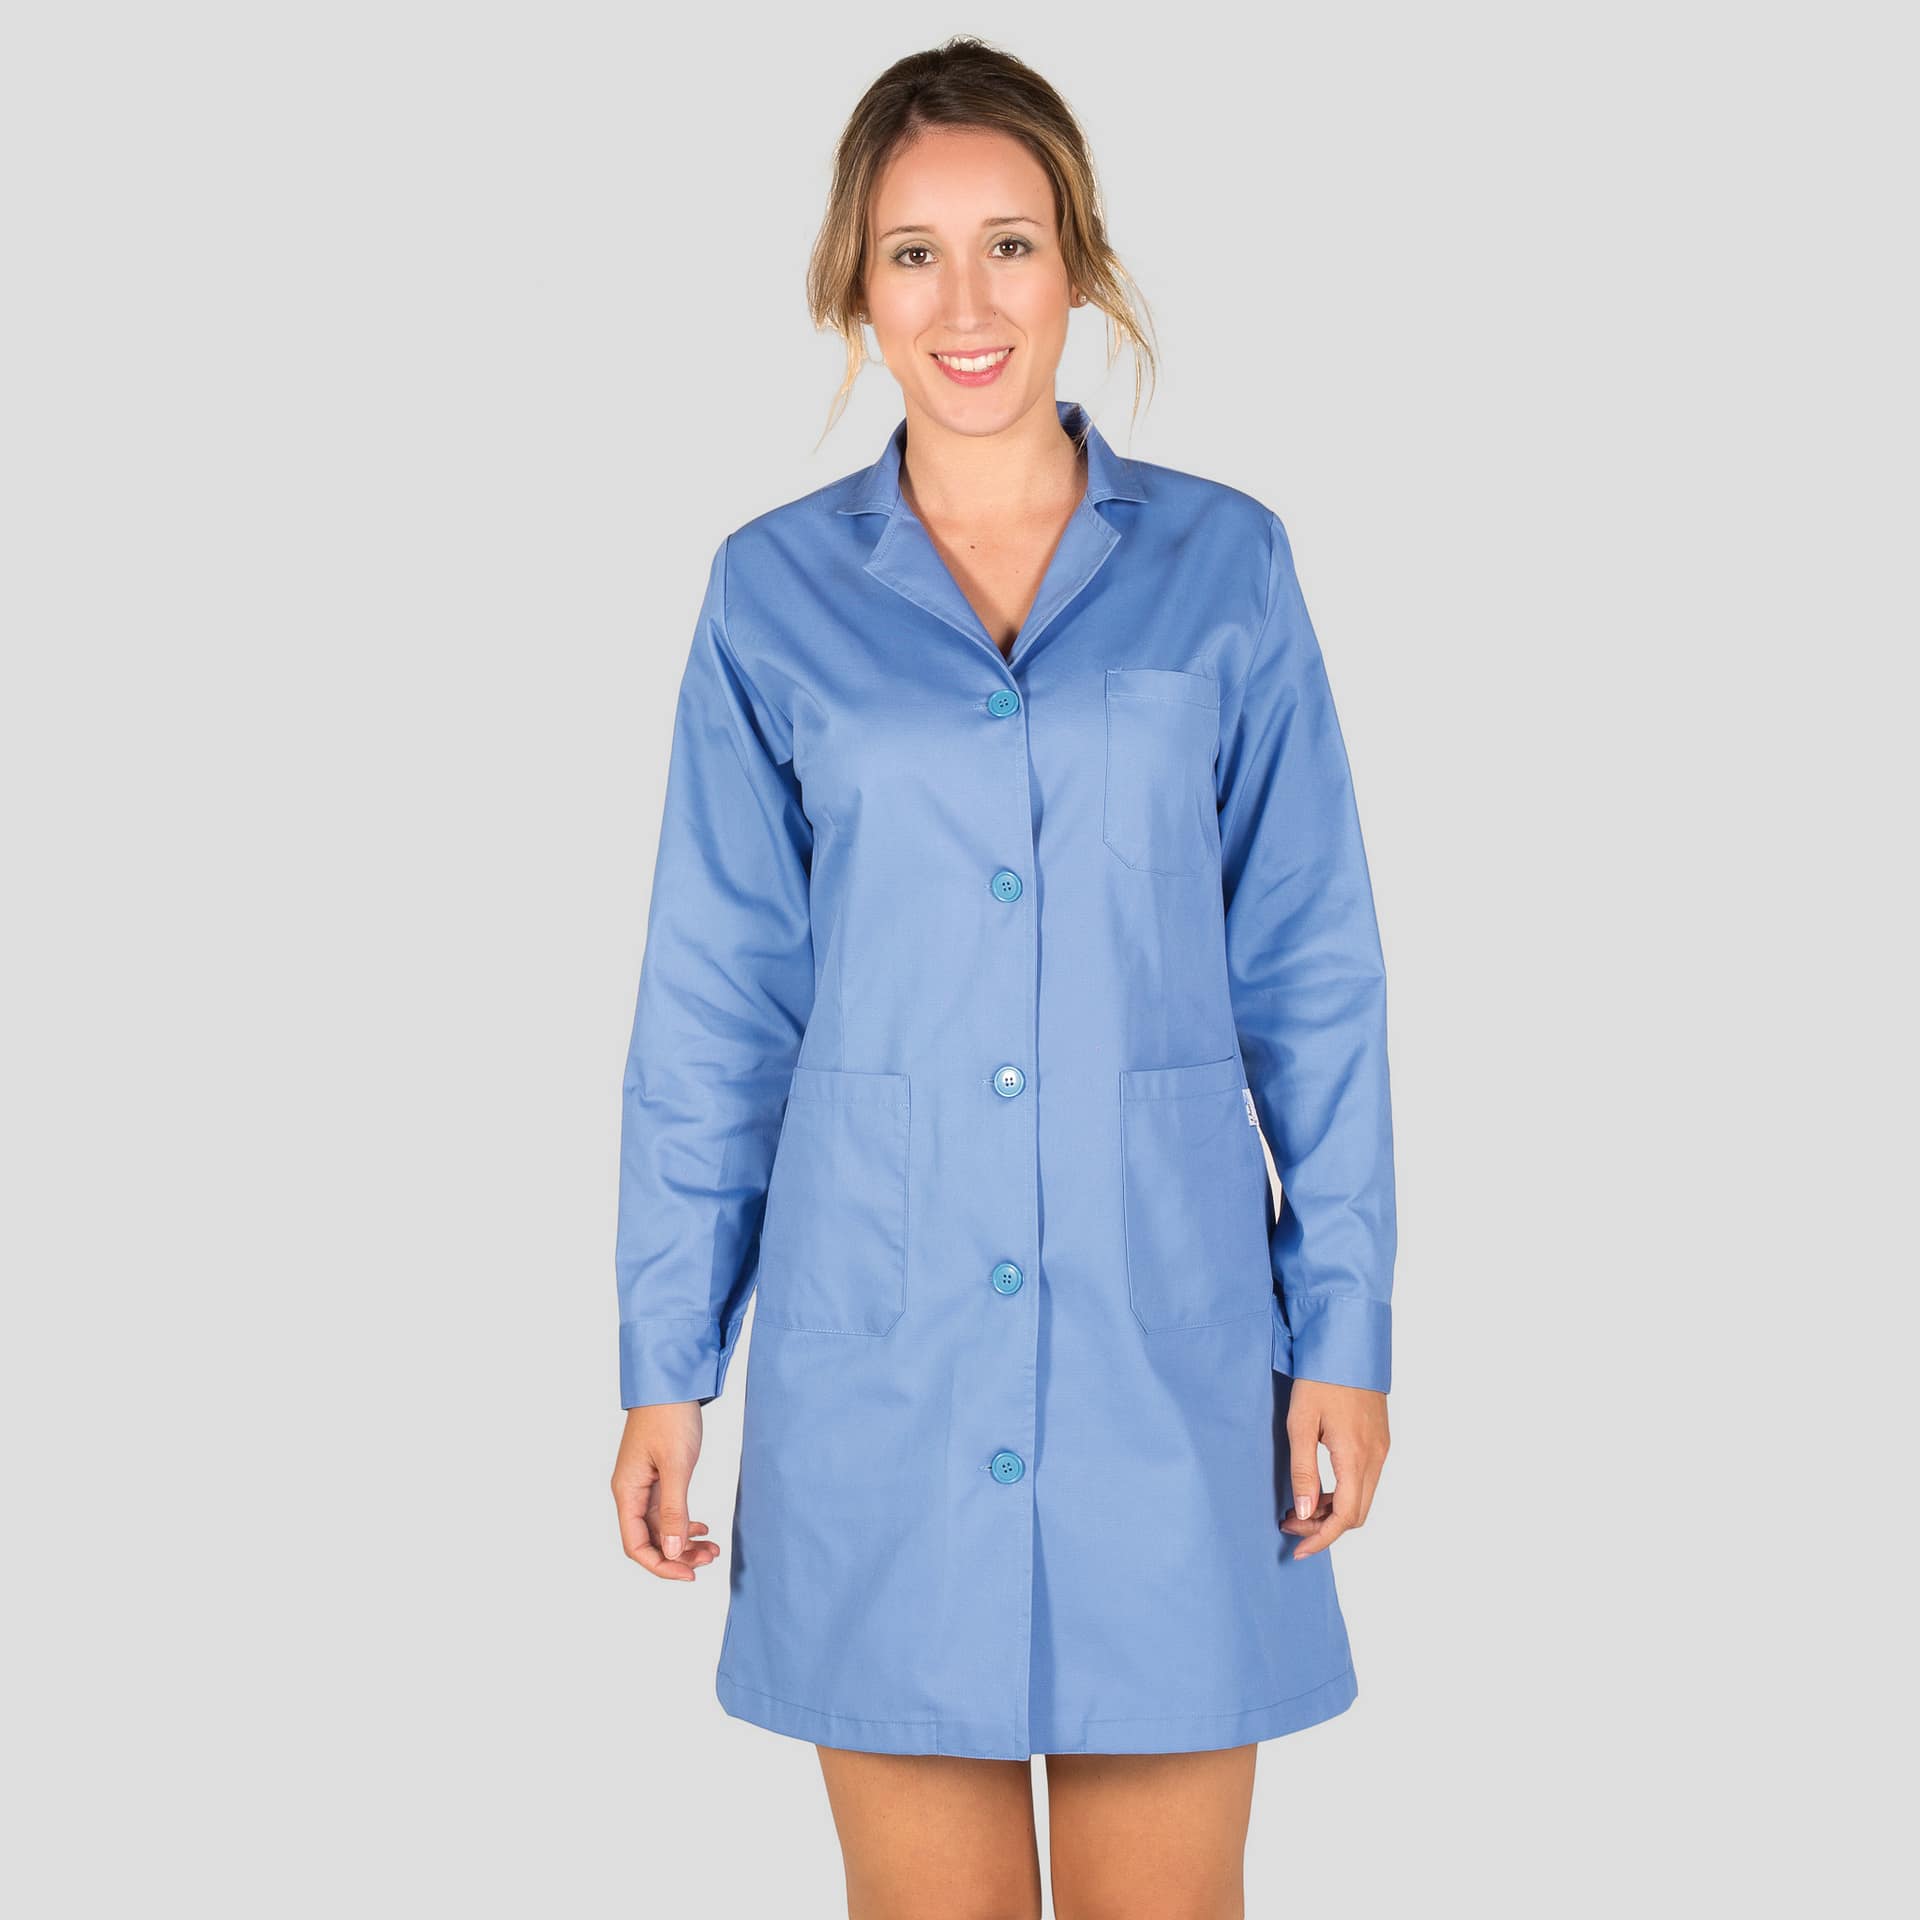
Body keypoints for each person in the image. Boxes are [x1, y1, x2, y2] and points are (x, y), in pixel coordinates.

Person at [610, 35, 1396, 1919]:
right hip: (876, 1363)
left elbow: (1313, 968)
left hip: (1168, 1352)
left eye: (1010, 246)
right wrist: (666, 1363)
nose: (966, 305)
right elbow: (717, 999)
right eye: (913, 254)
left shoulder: (1227, 568)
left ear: (1080, 265)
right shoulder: (767, 595)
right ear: (854, 285)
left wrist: (1344, 1329)